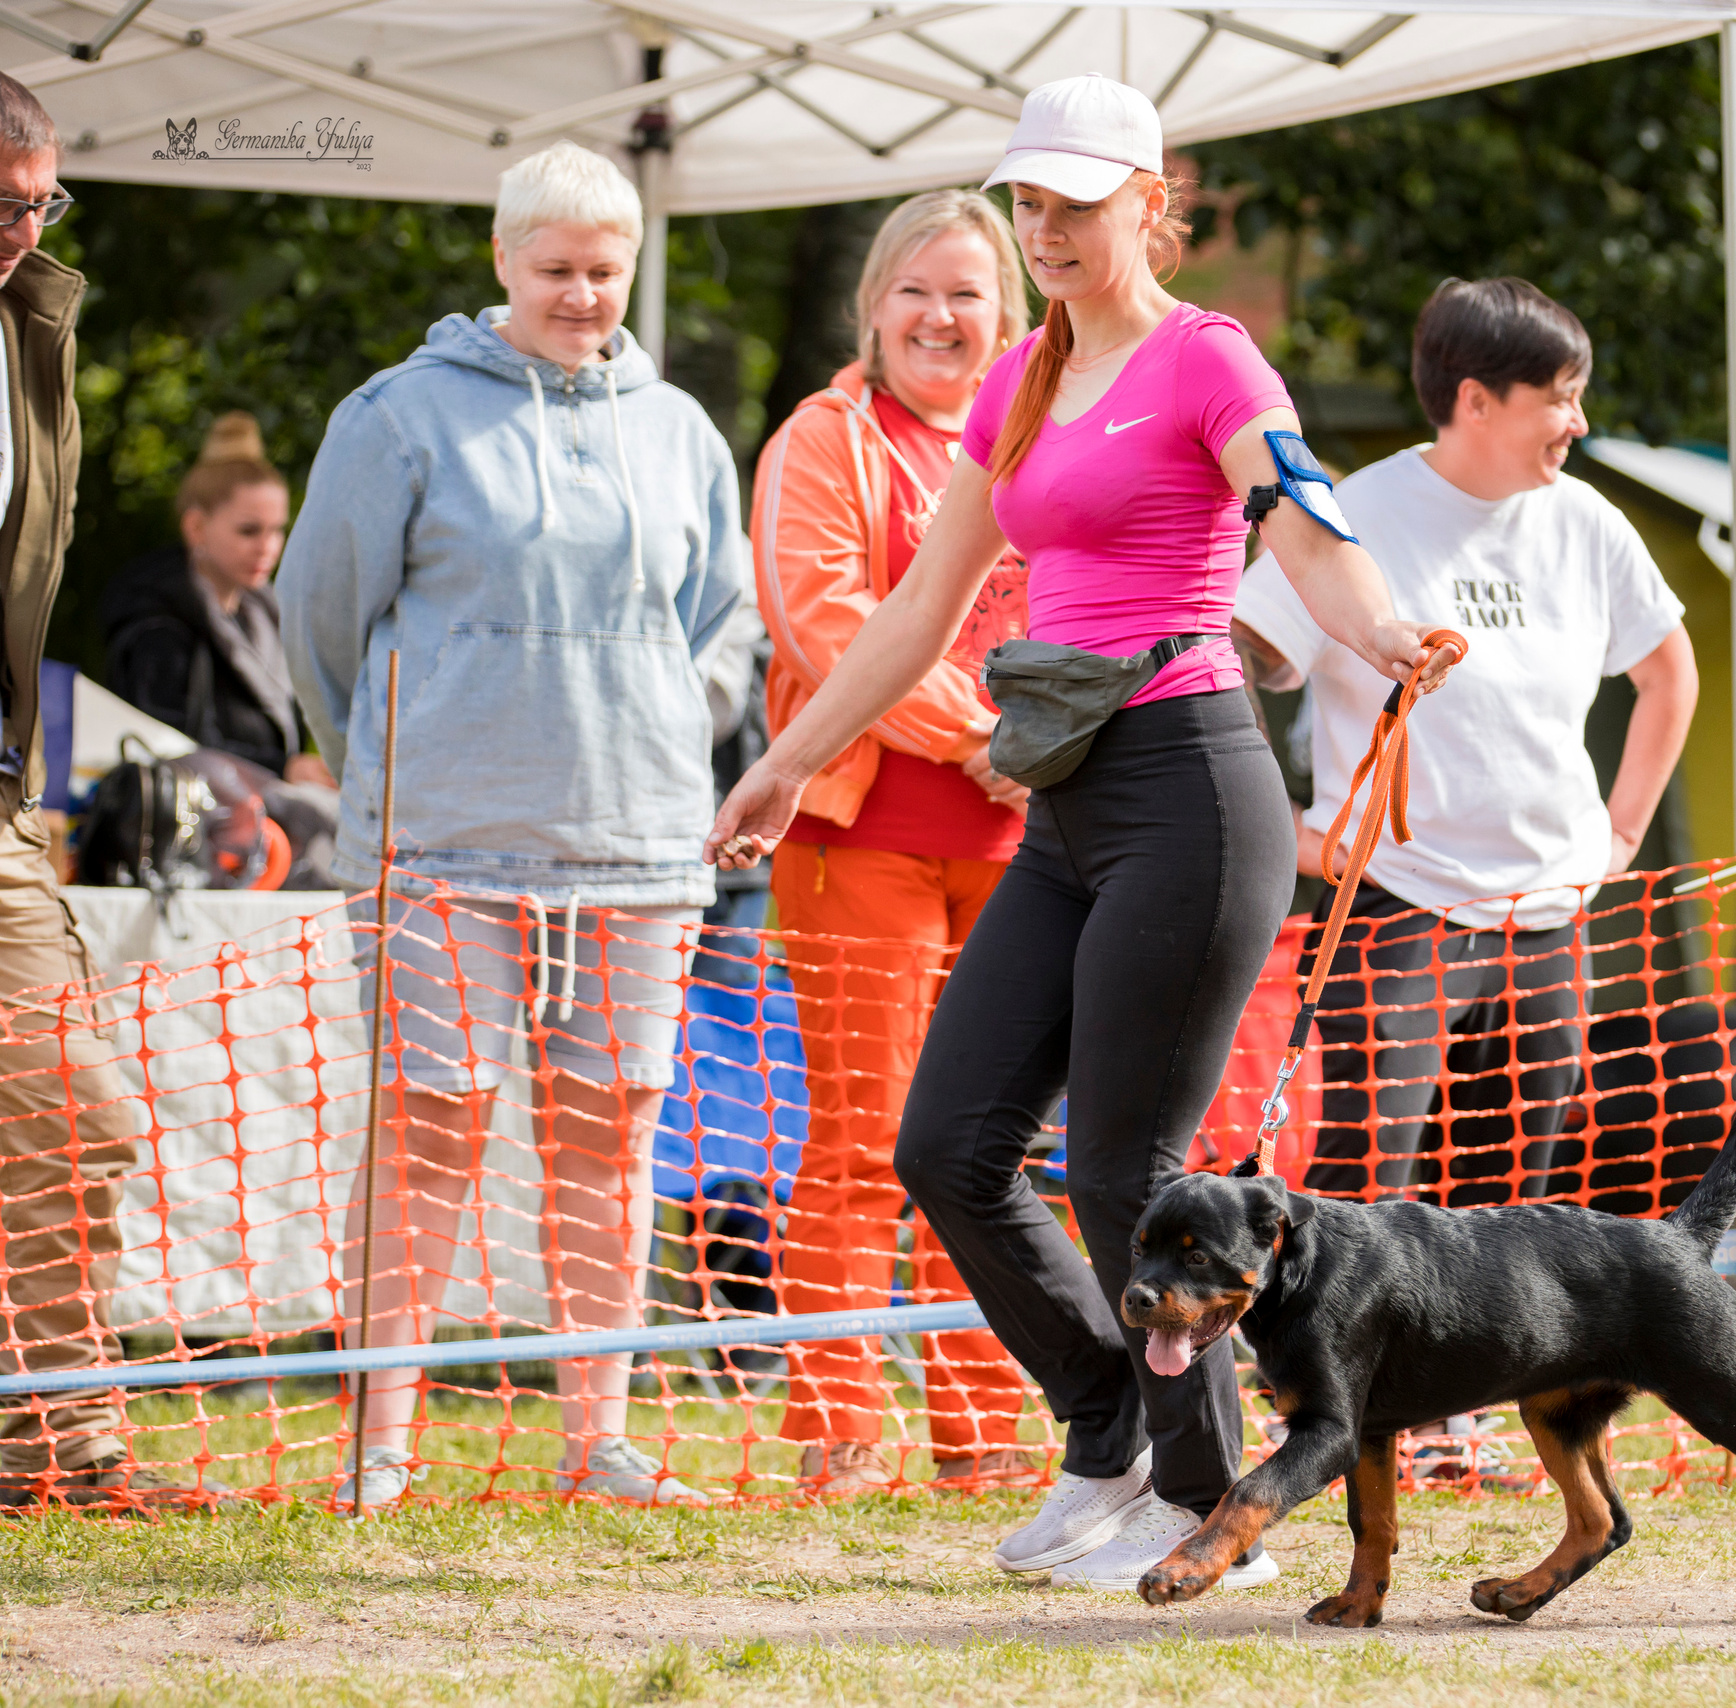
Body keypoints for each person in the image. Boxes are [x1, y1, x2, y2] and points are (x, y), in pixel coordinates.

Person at [707, 74, 1450, 1589]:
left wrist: (1381, 626)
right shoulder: (1020, 380)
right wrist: (787, 762)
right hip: (1066, 801)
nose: (1045, 230)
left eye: (1076, 203)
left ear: (1150, 203)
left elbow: (1300, 521)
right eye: (1030, 204)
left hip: (1192, 787)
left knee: (1123, 1170)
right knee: (948, 1147)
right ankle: (1108, 1435)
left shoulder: (1207, 356)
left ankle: (1204, 1502)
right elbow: (918, 608)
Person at [281, 139, 747, 1510]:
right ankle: (379, 1445)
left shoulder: (680, 430)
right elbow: (321, 619)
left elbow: (724, 623)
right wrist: (392, 761)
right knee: (429, 1129)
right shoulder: (398, 416)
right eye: (556, 269)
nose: (584, 295)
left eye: (607, 270)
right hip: (440, 843)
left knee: (613, 1133)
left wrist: (669, 714)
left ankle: (600, 1440)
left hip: (637, 846)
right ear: (501, 261)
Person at [1231, 277, 1695, 1485]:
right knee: (1365, 1186)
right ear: (1476, 400)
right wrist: (1283, 826)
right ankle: (1332, 1415)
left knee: (1505, 1195)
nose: (1577, 422)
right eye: (1560, 398)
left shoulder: (1588, 522)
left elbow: (1669, 673)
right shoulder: (1357, 514)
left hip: (1546, 912)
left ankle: (1456, 1421)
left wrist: (1621, 833)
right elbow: (1230, 654)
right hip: (1399, 900)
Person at [750, 187, 1037, 1495]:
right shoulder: (824, 438)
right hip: (861, 835)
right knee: (866, 1140)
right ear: (872, 306)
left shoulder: (1041, 437)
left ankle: (985, 1431)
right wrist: (979, 729)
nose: (939, 315)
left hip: (1027, 842)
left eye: (966, 293)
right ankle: (841, 1430)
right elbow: (821, 619)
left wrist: (1039, 746)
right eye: (914, 290)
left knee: (997, 1148)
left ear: (1007, 316)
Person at [0, 73, 239, 1513]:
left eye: (45, 203)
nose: (26, 233)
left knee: (69, 1109)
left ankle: (59, 1449)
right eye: (0, 203)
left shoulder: (29, 326)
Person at [99, 412, 339, 884]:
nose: (268, 546)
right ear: (196, 528)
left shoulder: (265, 614)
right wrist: (283, 767)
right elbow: (164, 740)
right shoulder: (156, 624)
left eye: (277, 529)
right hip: (190, 833)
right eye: (250, 530)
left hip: (255, 825)